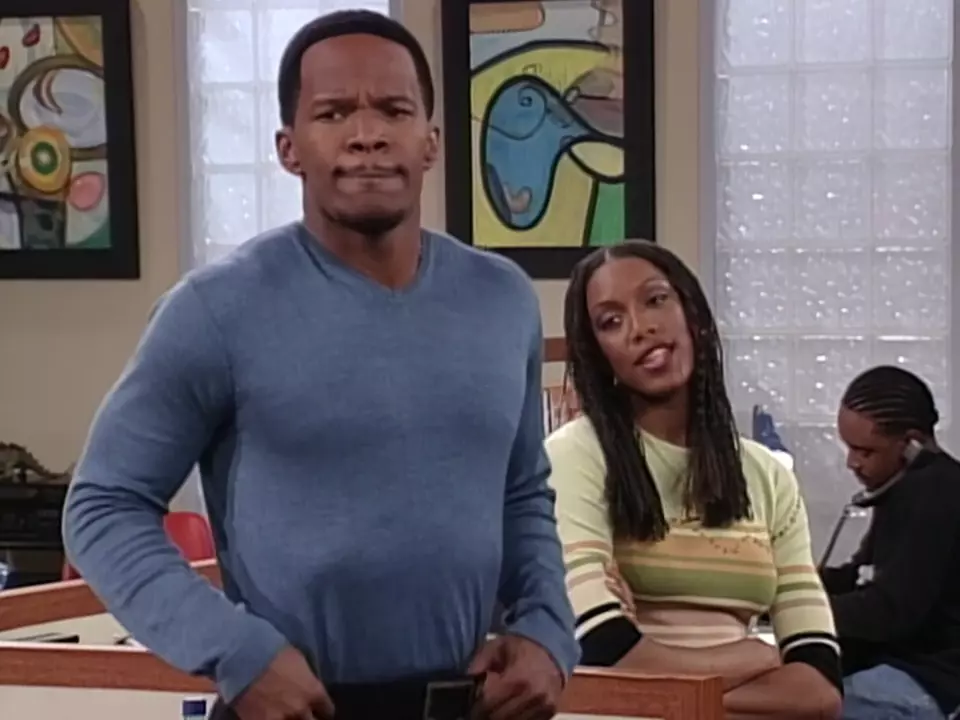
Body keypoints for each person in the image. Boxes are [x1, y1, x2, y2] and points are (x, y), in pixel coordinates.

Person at [62, 10, 577, 720]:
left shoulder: (503, 301)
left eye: (394, 110)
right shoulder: (216, 310)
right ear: (289, 148)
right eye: (334, 113)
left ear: (430, 140)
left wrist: (548, 630)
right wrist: (234, 650)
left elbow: (521, 493)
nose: (367, 134)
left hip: (472, 703)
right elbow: (103, 506)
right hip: (295, 707)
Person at [546, 240, 843, 719]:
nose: (641, 328)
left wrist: (674, 697)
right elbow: (602, 647)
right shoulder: (574, 455)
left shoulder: (768, 476)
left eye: (655, 299)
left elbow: (820, 688)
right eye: (611, 321)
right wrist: (754, 657)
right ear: (598, 355)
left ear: (694, 316)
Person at [823, 366, 960, 719]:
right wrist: (791, 582)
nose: (852, 463)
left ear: (911, 444)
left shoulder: (936, 494)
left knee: (807, 710)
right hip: (895, 665)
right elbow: (862, 576)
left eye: (865, 451)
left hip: (931, 678)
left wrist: (802, 610)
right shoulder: (904, 490)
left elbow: (890, 610)